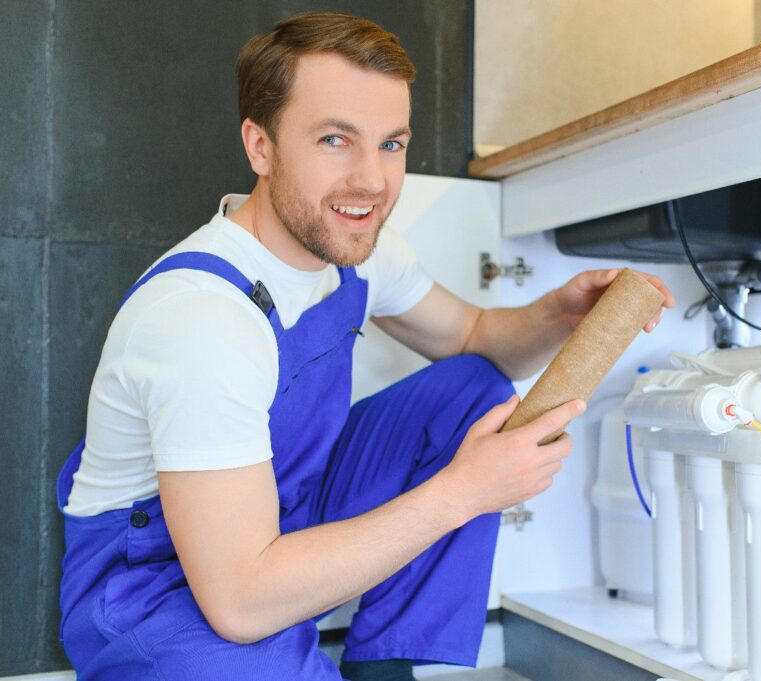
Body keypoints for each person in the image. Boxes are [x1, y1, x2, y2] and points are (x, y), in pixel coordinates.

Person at [56, 11, 674, 681]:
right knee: (248, 635)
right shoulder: (202, 318)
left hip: (284, 512)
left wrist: (558, 313)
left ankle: (387, 664)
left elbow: (474, 338)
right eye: (335, 139)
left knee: (471, 391)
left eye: (390, 144)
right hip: (159, 585)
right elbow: (237, 602)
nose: (372, 181)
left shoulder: (359, 253)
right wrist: (464, 491)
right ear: (260, 146)